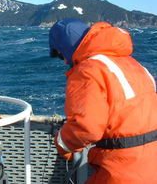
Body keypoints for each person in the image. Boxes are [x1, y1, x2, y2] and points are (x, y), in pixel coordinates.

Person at [48, 18, 157, 183]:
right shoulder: (133, 64)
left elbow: (86, 127)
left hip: (122, 170)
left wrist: (62, 143)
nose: (64, 61)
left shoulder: (87, 70)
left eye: (60, 54)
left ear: (66, 47)